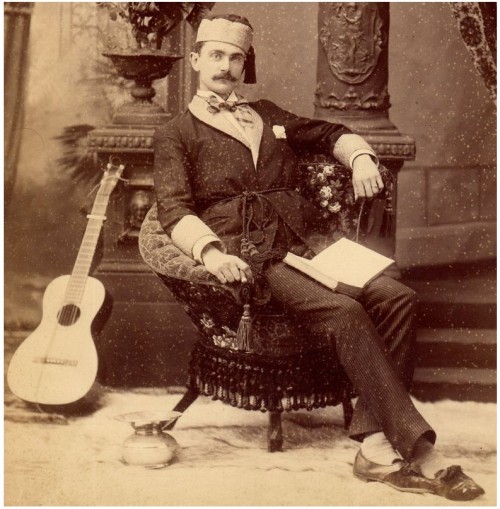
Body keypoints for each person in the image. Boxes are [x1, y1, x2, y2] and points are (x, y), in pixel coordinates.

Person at [145, 13, 485, 501]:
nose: (225, 66)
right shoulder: (175, 133)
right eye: (215, 55)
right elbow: (173, 207)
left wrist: (362, 156)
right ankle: (419, 450)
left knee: (398, 297)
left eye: (235, 57)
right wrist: (213, 254)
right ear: (197, 60)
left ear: (245, 64)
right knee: (345, 311)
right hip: (253, 255)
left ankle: (373, 444)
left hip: (309, 243)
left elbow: (328, 133)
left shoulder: (266, 114)